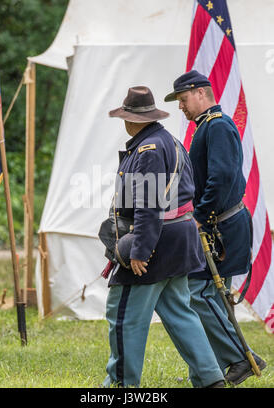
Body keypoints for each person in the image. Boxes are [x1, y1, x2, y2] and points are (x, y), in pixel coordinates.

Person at [101, 85, 225, 388]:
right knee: (180, 313)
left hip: (155, 242)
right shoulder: (167, 140)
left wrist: (140, 250)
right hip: (177, 241)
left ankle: (120, 385)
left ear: (132, 119)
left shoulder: (148, 150)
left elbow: (149, 205)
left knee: (123, 314)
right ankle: (211, 379)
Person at [164, 70, 266, 386]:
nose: (181, 106)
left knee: (199, 293)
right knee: (208, 295)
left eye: (183, 99)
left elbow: (220, 178)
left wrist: (200, 215)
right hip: (219, 225)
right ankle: (213, 368)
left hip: (221, 226)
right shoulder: (208, 127)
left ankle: (241, 358)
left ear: (200, 93)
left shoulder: (218, 126)